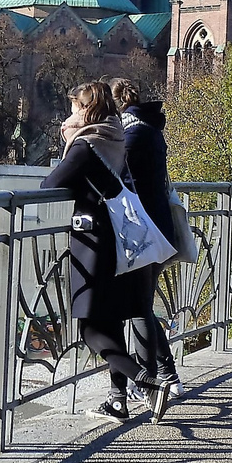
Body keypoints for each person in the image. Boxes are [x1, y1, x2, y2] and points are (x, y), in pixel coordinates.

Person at [41, 82, 172, 422]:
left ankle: (145, 381)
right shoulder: (115, 136)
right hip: (119, 240)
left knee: (89, 327)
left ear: (87, 111)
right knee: (111, 321)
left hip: (93, 243)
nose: (70, 115)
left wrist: (70, 147)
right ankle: (118, 402)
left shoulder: (87, 144)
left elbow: (50, 185)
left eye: (74, 108)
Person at [109, 77, 184, 401]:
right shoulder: (146, 128)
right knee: (141, 305)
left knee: (138, 307)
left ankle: (150, 383)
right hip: (152, 230)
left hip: (143, 232)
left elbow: (108, 172)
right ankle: (164, 376)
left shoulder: (133, 133)